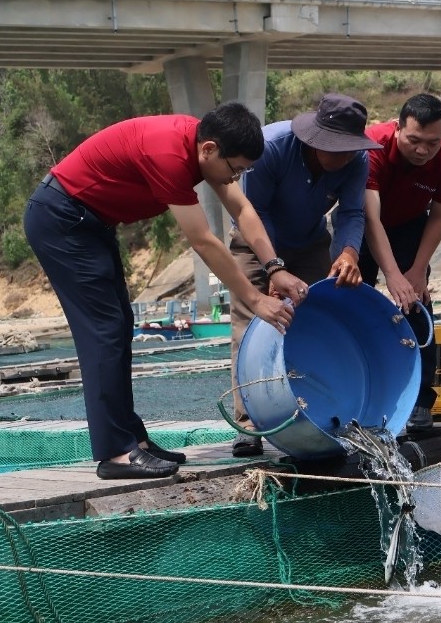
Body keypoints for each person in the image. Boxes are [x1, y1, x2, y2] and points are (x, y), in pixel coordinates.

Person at [23, 101, 307, 480]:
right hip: (61, 219)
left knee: (118, 326)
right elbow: (203, 241)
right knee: (104, 332)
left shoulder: (204, 145)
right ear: (209, 150)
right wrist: (254, 299)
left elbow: (243, 211)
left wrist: (275, 267)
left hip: (89, 222)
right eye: (235, 169)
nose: (234, 178)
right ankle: (116, 454)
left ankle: (133, 441)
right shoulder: (169, 155)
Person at [228, 93, 382, 457]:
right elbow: (255, 211)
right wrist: (273, 266)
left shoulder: (357, 160)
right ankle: (249, 423)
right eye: (336, 149)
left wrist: (348, 252)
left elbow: (351, 212)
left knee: (316, 318)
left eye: (350, 149)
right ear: (314, 139)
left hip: (310, 241)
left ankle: (316, 412)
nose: (344, 157)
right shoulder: (271, 147)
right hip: (255, 242)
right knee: (251, 321)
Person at [360, 93, 441, 432]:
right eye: (414, 140)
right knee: (348, 295)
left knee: (416, 303)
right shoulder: (372, 145)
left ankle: (420, 400)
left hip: (410, 225)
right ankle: (354, 389)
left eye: (432, 143)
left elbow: (440, 215)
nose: (422, 150)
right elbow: (371, 218)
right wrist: (392, 274)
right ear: (398, 127)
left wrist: (417, 270)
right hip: (362, 222)